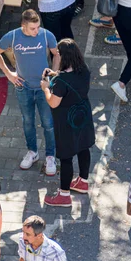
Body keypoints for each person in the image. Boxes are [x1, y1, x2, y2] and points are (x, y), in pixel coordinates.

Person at [0, 10, 60, 175]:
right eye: (32, 28)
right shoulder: (12, 36)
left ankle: (50, 156)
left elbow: (57, 53)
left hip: (43, 88)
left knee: (48, 124)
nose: (36, 31)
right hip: (23, 87)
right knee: (27, 122)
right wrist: (9, 74)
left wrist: (54, 73)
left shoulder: (46, 35)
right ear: (23, 26)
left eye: (37, 27)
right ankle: (33, 152)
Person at [41, 39, 96, 207]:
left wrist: (45, 87)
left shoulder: (60, 82)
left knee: (66, 156)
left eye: (58, 53)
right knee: (83, 147)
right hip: (83, 115)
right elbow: (69, 77)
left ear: (64, 56)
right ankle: (83, 182)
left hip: (66, 121)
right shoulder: (84, 70)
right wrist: (55, 74)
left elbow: (53, 103)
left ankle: (64, 195)